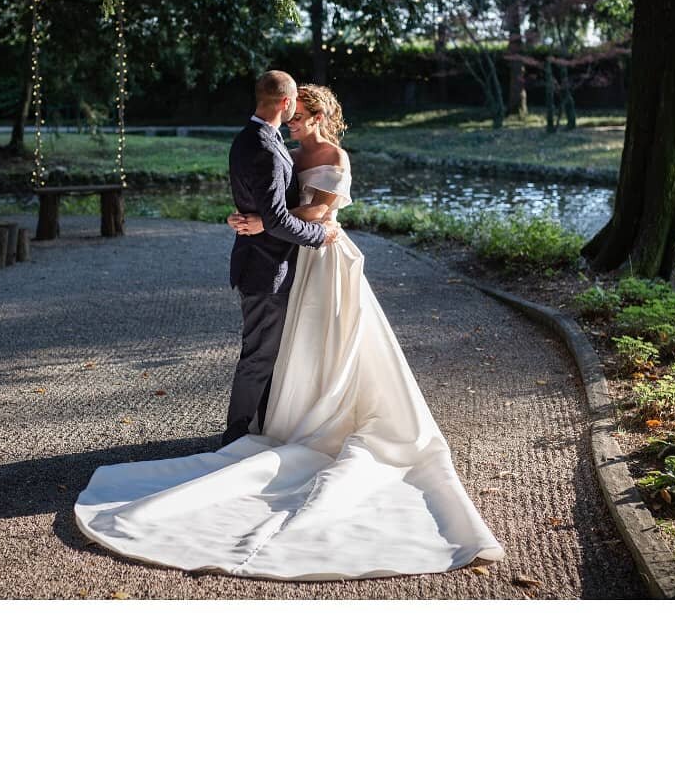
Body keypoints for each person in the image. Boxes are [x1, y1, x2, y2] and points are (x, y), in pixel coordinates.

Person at [74, 82, 505, 579]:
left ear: (319, 115)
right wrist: (251, 216)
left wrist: (261, 222)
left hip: (324, 258)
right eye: (292, 115)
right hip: (294, 257)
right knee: (288, 348)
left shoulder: (333, 156)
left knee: (330, 343)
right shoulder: (285, 150)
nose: (295, 123)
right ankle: (280, 421)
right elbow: (268, 198)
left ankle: (320, 415)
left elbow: (321, 212)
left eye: (302, 117)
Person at [220, 70, 339, 448]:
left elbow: (259, 209)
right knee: (258, 357)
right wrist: (320, 235)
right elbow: (276, 220)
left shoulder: (245, 139)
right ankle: (235, 435)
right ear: (286, 104)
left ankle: (261, 427)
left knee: (268, 354)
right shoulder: (270, 152)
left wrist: (250, 217)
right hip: (266, 268)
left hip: (258, 262)